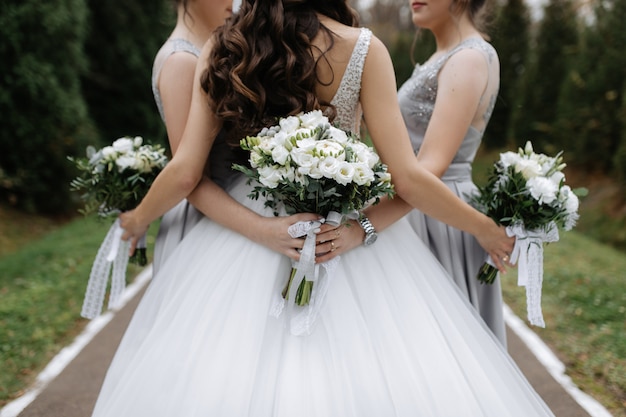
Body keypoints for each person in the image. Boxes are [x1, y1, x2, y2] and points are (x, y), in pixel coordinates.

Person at [91, 1, 553, 415]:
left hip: (236, 242)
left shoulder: (223, 45)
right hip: (342, 239)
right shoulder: (364, 49)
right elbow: (409, 179)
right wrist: (375, 231)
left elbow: (188, 176)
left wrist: (257, 229)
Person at [318, 0, 508, 345]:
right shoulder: (444, 55)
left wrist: (365, 224)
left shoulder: (468, 58)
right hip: (416, 199)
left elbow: (429, 167)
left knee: (437, 342)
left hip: (434, 210)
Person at [150, 0, 234, 272]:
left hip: (233, 212)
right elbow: (191, 176)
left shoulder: (218, 46)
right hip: (210, 227)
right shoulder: (182, 62)